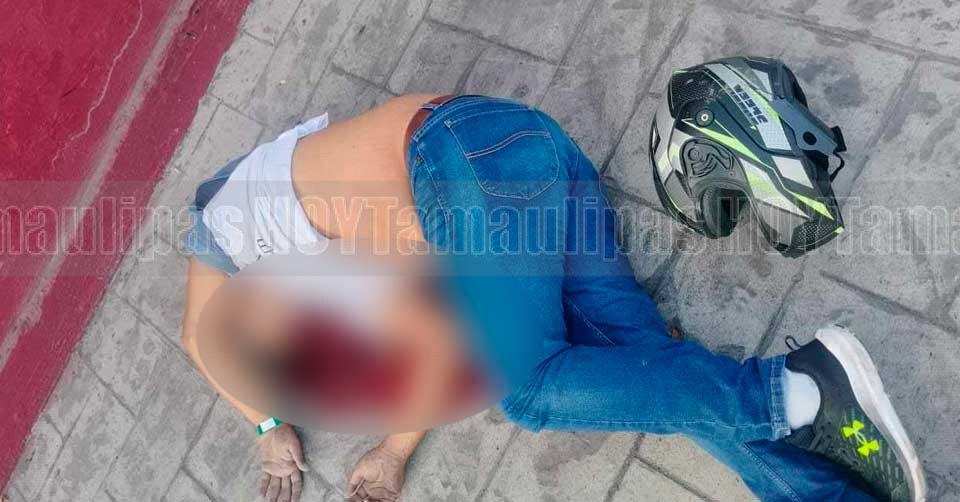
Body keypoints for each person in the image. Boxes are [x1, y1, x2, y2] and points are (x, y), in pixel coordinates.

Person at [181, 94, 925, 502]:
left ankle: (802, 389)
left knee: (530, 388)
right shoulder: (259, 253)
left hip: (467, 160)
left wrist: (386, 447)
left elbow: (444, 346)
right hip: (525, 157)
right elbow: (212, 343)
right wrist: (270, 423)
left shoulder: (261, 251)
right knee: (639, 367)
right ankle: (830, 490)